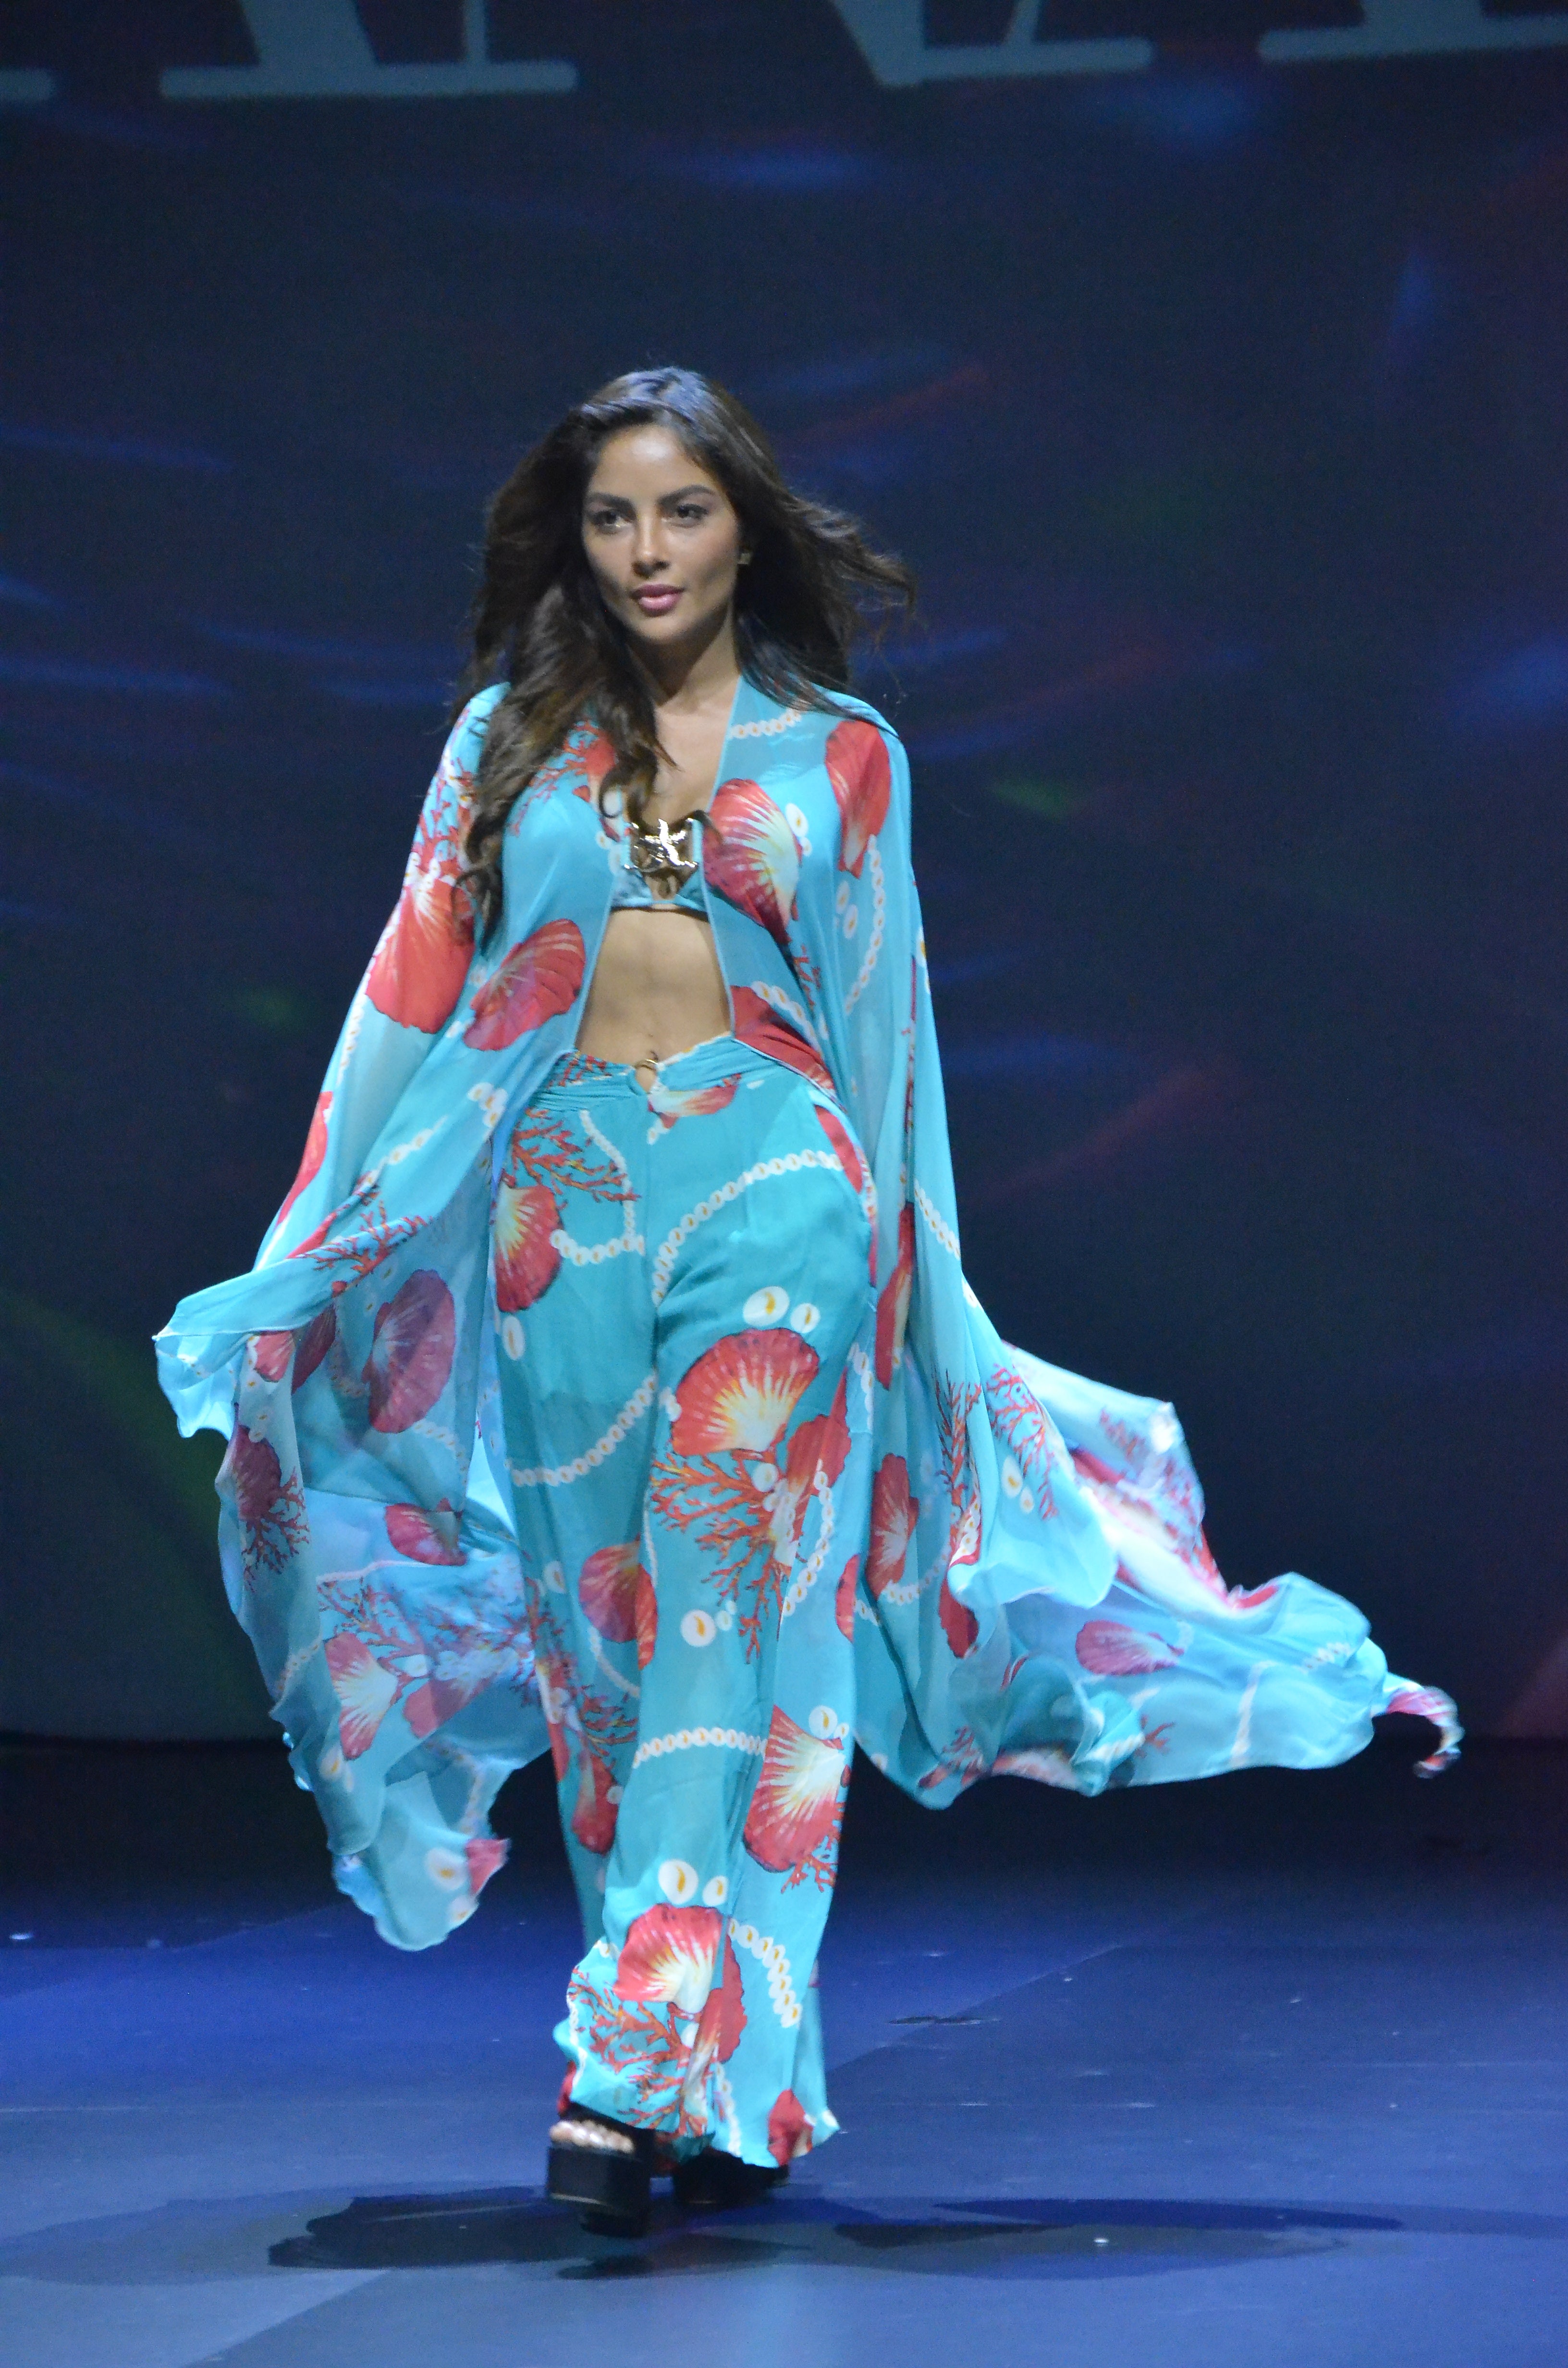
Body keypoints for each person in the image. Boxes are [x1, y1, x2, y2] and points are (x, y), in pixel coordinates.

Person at [157, 367, 1459, 2237]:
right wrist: (310, 1252)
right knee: (608, 1651)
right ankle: (731, 2076)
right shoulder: (504, 747)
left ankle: (627, 2065)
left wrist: (929, 1319)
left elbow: (888, 1046)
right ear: (576, 541)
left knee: (724, 1608)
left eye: (682, 511)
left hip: (781, 1191)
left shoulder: (843, 755)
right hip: (557, 1212)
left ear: (744, 529)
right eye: (614, 516)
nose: (648, 550)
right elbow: (400, 1009)